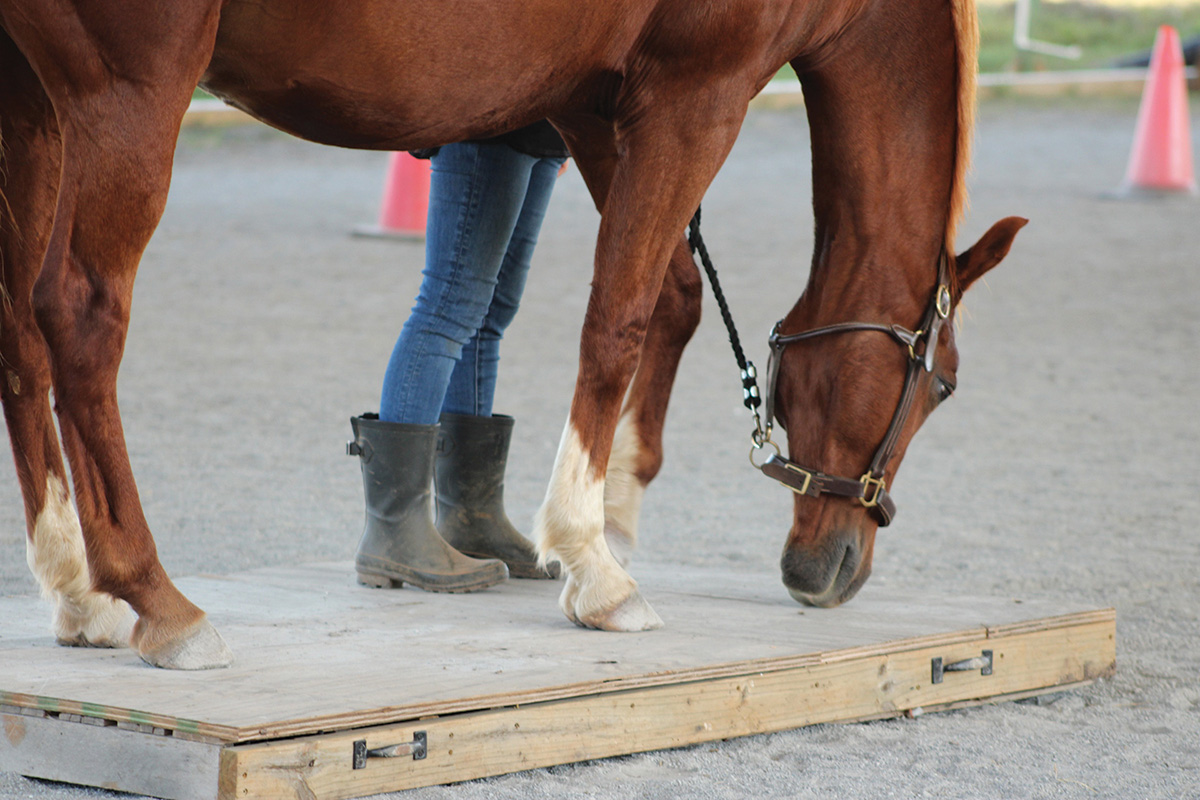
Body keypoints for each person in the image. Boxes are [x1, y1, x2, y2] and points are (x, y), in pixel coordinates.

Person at [348, 121, 568, 592]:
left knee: (491, 312)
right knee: (449, 305)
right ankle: (393, 531)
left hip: (544, 129)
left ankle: (471, 520)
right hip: (494, 122)